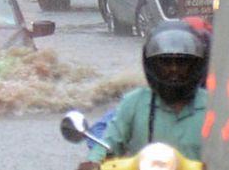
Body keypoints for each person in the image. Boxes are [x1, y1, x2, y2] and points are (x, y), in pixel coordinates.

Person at [80, 22, 208, 169]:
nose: (174, 69)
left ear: (196, 65)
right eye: (165, 62)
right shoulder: (134, 103)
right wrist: (94, 162)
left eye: (182, 62)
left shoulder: (214, 106)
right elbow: (109, 143)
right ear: (152, 65)